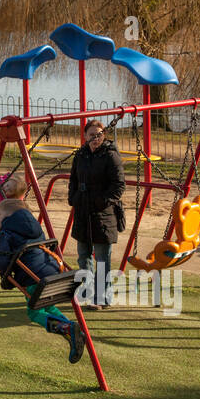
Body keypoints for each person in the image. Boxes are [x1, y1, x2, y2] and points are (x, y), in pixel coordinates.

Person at [0, 174, 84, 362]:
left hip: (34, 278)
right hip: (53, 272)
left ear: (8, 216)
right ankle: (72, 331)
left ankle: (67, 328)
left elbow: (3, 259)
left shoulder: (6, 232)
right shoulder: (35, 226)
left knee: (34, 312)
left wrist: (5, 278)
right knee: (47, 307)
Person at [68, 119, 126, 309]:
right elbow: (73, 180)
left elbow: (118, 186)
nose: (95, 138)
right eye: (91, 134)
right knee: (83, 255)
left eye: (99, 134)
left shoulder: (111, 156)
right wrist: (74, 198)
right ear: (85, 136)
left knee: (102, 258)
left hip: (103, 213)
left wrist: (101, 202)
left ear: (104, 135)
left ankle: (102, 298)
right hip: (83, 211)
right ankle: (89, 292)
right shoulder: (81, 155)